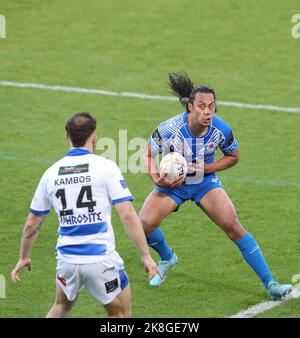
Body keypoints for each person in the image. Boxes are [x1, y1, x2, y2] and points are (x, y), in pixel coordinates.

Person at [139, 72, 292, 300]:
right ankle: (168, 257)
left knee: (233, 227)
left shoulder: (221, 130)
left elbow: (234, 156)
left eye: (211, 106)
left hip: (204, 182)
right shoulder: (169, 129)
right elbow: (148, 153)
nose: (208, 111)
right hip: (175, 184)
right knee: (144, 224)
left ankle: (271, 283)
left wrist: (207, 169)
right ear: (190, 107)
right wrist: (157, 178)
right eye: (202, 106)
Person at [11, 112, 161, 318]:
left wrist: (23, 257)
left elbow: (32, 223)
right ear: (94, 137)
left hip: (67, 261)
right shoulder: (106, 168)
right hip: (101, 259)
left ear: (67, 135)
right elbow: (127, 215)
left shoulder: (51, 174)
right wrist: (146, 256)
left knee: (61, 306)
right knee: (120, 315)